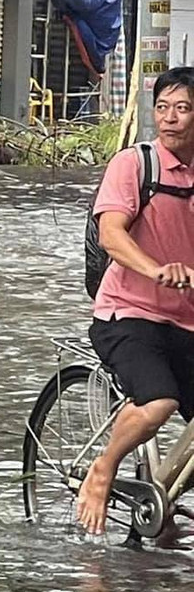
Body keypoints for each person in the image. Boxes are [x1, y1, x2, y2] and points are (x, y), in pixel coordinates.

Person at [77, 67, 194, 535]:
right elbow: (111, 233)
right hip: (128, 313)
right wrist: (156, 270)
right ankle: (103, 469)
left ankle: (163, 501)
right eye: (162, 107)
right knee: (159, 401)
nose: (170, 118)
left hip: (186, 322)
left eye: (183, 108)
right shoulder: (134, 164)